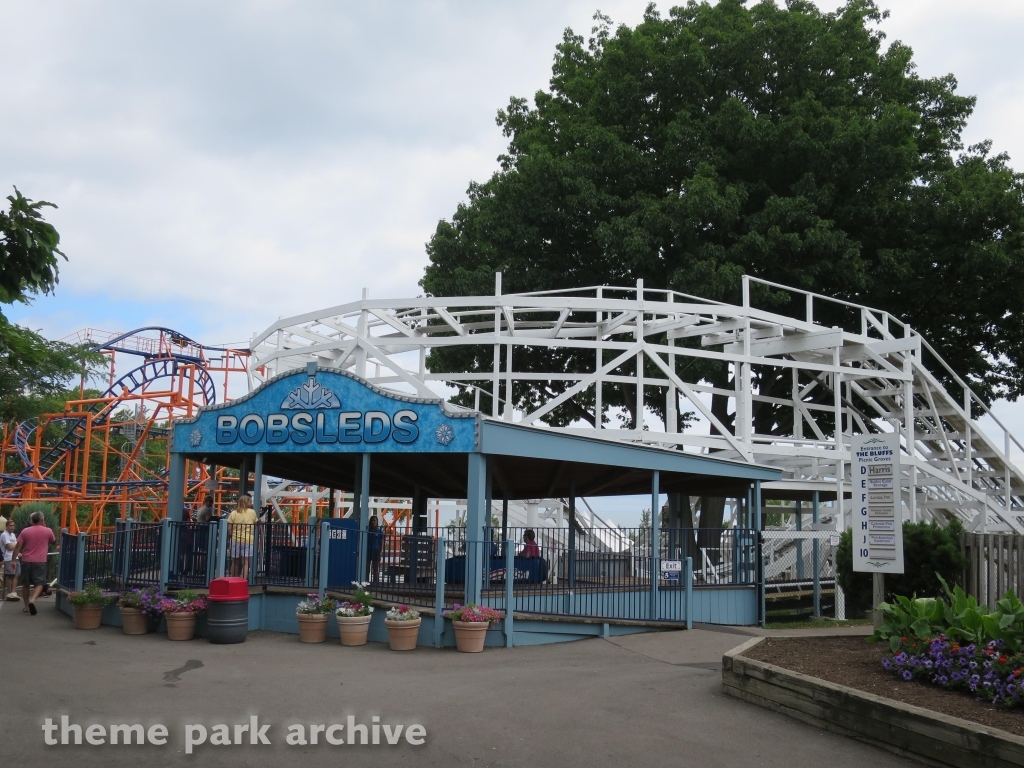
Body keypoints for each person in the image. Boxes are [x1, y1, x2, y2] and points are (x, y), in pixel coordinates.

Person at [11, 511, 55, 615]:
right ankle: (33, 600)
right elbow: (53, 541)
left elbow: (18, 546)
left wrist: (13, 560)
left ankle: (26, 606)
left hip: (26, 560)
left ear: (32, 520)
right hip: (40, 561)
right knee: (40, 583)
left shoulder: (25, 531)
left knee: (25, 584)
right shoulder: (48, 531)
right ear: (42, 520)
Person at [227, 495, 258, 579]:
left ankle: (233, 580)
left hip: (235, 539)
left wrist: (229, 537)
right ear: (246, 502)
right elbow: (255, 525)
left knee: (235, 562)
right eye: (250, 501)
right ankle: (243, 581)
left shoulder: (233, 513)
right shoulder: (252, 512)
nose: (251, 503)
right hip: (248, 539)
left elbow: (229, 528)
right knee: (246, 562)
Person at [2, 518, 19, 600]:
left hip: (15, 556)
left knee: (16, 574)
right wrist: (17, 547)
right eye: (10, 525)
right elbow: (9, 547)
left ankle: (13, 592)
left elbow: (15, 546)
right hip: (8, 557)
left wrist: (16, 548)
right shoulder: (4, 535)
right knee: (10, 575)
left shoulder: (13, 535)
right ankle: (9, 593)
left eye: (13, 525)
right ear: (7, 526)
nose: (12, 527)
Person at [367, 515, 383, 582]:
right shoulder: (368, 530)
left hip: (376, 550)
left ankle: (375, 582)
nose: (373, 522)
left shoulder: (379, 531)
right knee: (367, 567)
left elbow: (381, 542)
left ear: (377, 522)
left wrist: (380, 551)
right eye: (372, 520)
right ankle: (366, 581)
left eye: (375, 520)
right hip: (368, 549)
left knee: (375, 568)